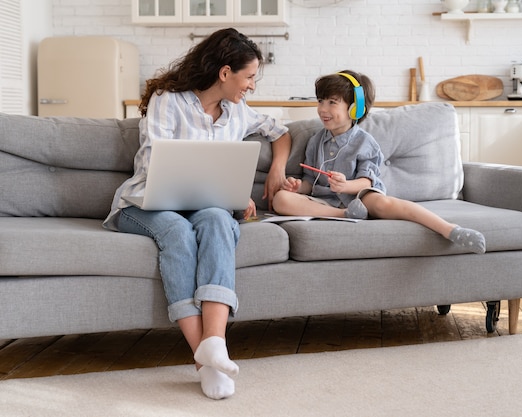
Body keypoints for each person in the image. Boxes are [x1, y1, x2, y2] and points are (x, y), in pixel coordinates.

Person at [103, 28, 292, 399]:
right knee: (176, 229)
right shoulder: (168, 100)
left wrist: (276, 169)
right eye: (249, 76)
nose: (252, 86)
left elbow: (279, 132)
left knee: (221, 220)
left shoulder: (238, 112)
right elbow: (159, 162)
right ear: (225, 73)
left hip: (205, 207)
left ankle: (215, 343)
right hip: (145, 205)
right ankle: (203, 361)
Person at [272, 70, 485, 254]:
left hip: (360, 196)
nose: (322, 109)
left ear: (356, 108)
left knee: (384, 204)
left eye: (332, 103)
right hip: (325, 201)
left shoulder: (365, 142)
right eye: (320, 101)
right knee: (281, 199)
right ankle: (344, 215)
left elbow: (367, 181)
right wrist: (299, 187)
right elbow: (311, 180)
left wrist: (346, 186)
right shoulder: (316, 141)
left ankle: (450, 229)